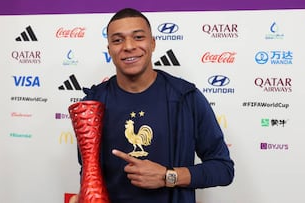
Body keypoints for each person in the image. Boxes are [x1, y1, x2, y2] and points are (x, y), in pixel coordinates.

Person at [77, 7, 234, 203]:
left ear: (152, 43)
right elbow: (88, 170)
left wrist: (167, 176)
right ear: (109, 50)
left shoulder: (186, 97)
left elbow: (223, 169)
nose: (128, 46)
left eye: (138, 37)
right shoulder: (93, 104)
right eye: (117, 40)